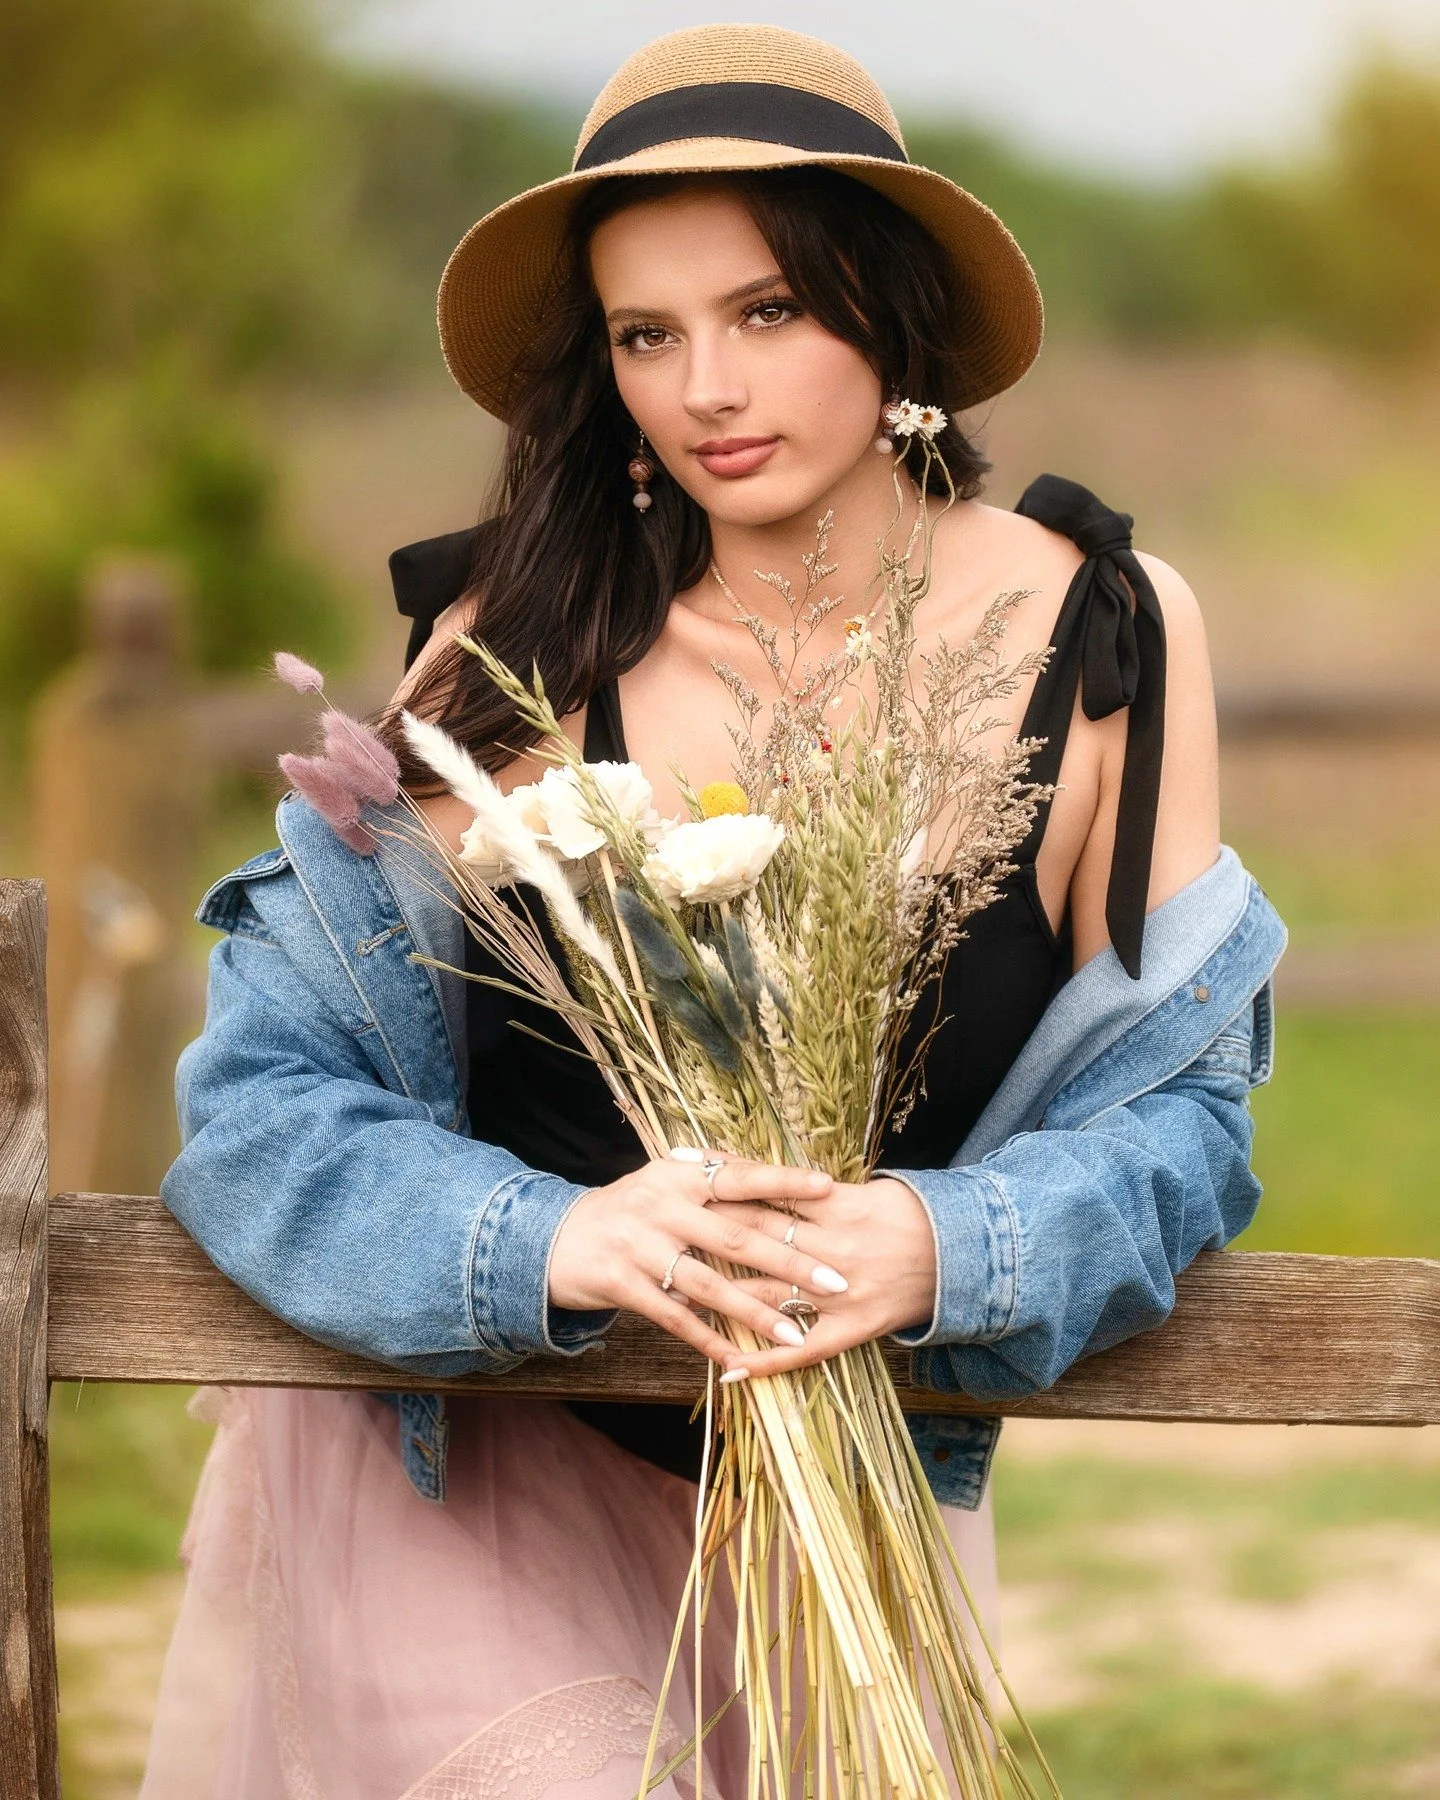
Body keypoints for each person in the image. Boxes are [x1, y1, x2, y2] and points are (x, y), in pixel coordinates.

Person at [143, 25, 1285, 1798]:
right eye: (644, 334)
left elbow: (1187, 1125)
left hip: (844, 1494)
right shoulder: (513, 647)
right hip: (486, 1471)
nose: (706, 392)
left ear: (889, 315)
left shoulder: (1110, 636)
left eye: (768, 312)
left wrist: (948, 1239)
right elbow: (254, 1114)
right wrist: (552, 1242)